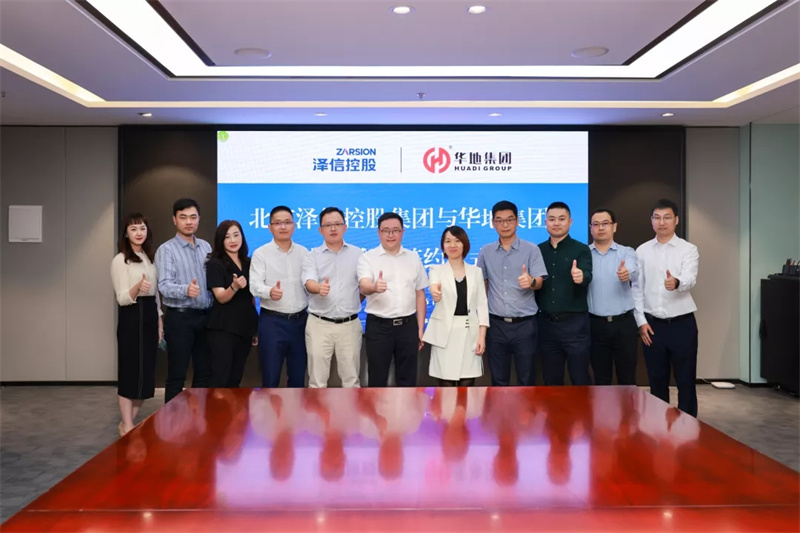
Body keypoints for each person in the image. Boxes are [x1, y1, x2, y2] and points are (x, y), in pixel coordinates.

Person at [632, 199, 700, 417]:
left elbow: (690, 278)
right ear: (651, 221)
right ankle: (658, 428)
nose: (662, 222)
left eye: (667, 217)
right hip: (653, 326)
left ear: (676, 220)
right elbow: (636, 289)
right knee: (657, 381)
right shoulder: (642, 251)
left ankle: (689, 428)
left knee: (685, 381)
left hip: (682, 325)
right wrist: (641, 321)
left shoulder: (688, 249)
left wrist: (677, 282)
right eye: (657, 217)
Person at [477, 200, 547, 386]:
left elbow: (539, 282)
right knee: (498, 381)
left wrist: (531, 281)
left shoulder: (531, 249)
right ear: (493, 223)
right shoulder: (486, 252)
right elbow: (482, 285)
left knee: (527, 379)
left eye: (509, 220)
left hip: (525, 325)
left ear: (517, 221)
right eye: (499, 220)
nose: (505, 225)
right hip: (496, 325)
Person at [358, 212, 428, 387]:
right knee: (377, 379)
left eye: (395, 230)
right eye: (386, 230)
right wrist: (374, 287)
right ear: (378, 232)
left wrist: (420, 329)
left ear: (402, 232)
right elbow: (364, 285)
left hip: (408, 326)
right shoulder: (368, 258)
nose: (391, 235)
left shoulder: (413, 257)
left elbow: (420, 293)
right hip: (379, 327)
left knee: (408, 380)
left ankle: (406, 407)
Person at [156, 198, 213, 403]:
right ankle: (172, 421)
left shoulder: (206, 247)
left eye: (193, 217)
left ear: (199, 219)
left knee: (204, 374)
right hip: (180, 319)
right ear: (174, 220)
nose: (189, 222)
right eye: (183, 217)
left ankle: (199, 418)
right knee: (177, 375)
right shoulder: (166, 250)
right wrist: (186, 290)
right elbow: (164, 285)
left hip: (205, 318)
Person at [111, 213, 162, 435]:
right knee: (130, 372)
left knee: (146, 373)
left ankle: (127, 422)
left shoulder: (149, 258)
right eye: (133, 229)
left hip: (150, 314)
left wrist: (159, 323)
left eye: (142, 228)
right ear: (125, 234)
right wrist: (137, 288)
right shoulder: (120, 260)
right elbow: (122, 298)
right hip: (131, 316)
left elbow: (156, 296)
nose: (139, 233)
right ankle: (127, 423)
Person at [301, 207, 363, 388]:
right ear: (320, 230)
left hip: (349, 324)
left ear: (345, 227)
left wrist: (351, 301)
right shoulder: (312, 255)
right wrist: (318, 288)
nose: (333, 228)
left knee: (351, 380)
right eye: (328, 225)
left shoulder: (358, 254)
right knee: (317, 381)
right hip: (319, 324)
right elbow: (308, 281)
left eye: (337, 224)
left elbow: (364, 285)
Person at [250, 206, 309, 388]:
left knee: (298, 377)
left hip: (301, 322)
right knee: (270, 377)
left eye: (287, 222)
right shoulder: (261, 253)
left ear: (294, 225)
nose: (283, 227)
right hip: (272, 323)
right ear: (270, 227)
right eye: (278, 223)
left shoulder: (304, 253)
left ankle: (295, 408)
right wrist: (269, 292)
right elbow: (254, 285)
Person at [423, 226, 489, 386]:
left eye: (457, 241)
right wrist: (434, 292)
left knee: (467, 383)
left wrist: (482, 336)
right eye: (448, 241)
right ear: (443, 246)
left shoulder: (476, 272)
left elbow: (482, 304)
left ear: (464, 244)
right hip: (445, 334)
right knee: (446, 385)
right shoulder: (436, 269)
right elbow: (434, 284)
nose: (452, 245)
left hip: (470, 333)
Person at [537, 201, 593, 386]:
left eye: (561, 219)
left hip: (575, 325)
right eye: (552, 219)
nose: (556, 223)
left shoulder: (581, 249)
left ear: (570, 222)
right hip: (546, 325)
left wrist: (581, 276)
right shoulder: (538, 250)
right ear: (545, 222)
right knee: (551, 380)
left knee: (579, 377)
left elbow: (587, 274)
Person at [587, 208, 639, 385]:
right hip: (595, 325)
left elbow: (633, 269)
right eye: (596, 224)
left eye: (605, 223)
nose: (601, 228)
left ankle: (628, 405)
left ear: (614, 226)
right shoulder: (584, 254)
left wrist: (626, 273)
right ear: (590, 228)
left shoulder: (626, 252)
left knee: (627, 377)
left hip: (623, 324)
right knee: (601, 378)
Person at [205, 220, 258, 388]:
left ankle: (232, 408)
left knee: (236, 377)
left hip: (245, 327)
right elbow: (221, 297)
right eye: (227, 237)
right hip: (223, 328)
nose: (233, 240)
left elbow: (251, 298)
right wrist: (234, 287)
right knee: (221, 378)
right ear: (221, 240)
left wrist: (254, 328)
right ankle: (215, 407)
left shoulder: (249, 262)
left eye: (236, 235)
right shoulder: (215, 263)